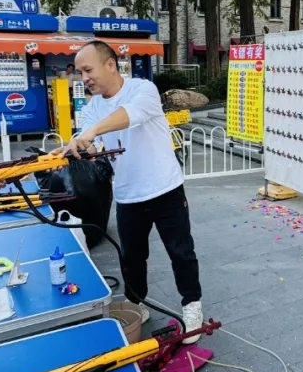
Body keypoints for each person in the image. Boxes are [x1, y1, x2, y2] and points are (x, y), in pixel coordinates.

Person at [55, 41, 205, 343]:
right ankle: (137, 304)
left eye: (88, 70)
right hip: (127, 195)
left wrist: (93, 132)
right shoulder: (92, 107)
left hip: (165, 188)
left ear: (110, 65)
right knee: (132, 257)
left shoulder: (143, 89)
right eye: (80, 72)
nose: (84, 78)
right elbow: (90, 140)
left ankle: (192, 306)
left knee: (181, 252)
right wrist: (79, 147)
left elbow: (129, 115)